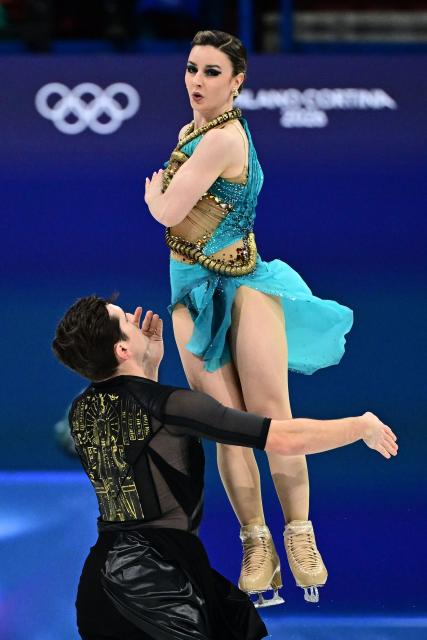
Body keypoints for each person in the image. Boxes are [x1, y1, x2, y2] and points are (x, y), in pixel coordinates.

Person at [144, 30, 354, 604]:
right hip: (190, 292)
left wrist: (152, 197)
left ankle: (299, 535)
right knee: (226, 427)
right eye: (191, 68)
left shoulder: (221, 137)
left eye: (212, 72)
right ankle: (256, 544)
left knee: (271, 417)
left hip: (245, 284)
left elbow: (166, 208)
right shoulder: (192, 131)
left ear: (237, 82)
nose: (196, 81)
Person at [52, 295, 397, 639]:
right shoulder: (173, 406)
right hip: (152, 584)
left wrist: (149, 368)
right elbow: (283, 438)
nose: (134, 317)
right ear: (122, 351)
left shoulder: (81, 412)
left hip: (107, 582)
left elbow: (138, 438)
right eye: (126, 321)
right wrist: (360, 426)